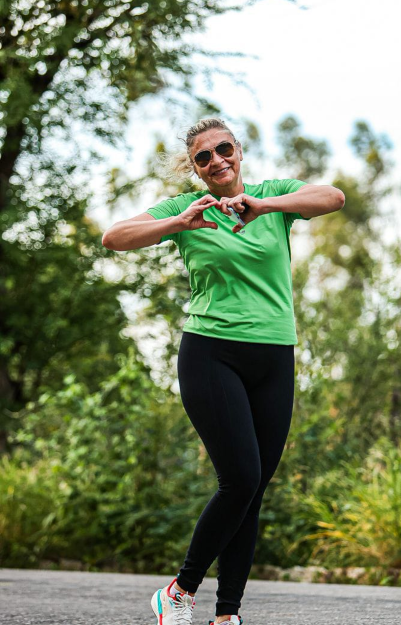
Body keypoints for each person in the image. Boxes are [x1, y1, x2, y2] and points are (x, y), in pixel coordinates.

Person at [102, 118, 345, 625]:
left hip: (275, 355)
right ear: (195, 168)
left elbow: (333, 198)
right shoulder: (186, 209)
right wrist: (178, 223)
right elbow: (114, 237)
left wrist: (265, 206)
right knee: (241, 478)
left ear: (238, 151)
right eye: (203, 157)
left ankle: (227, 615)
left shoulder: (274, 196)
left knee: (251, 492)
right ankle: (180, 590)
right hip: (212, 353)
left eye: (223, 149)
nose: (216, 161)